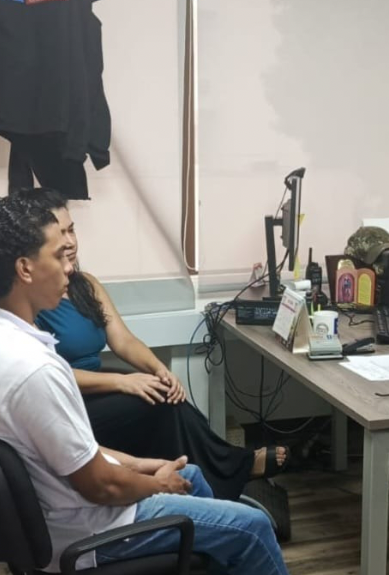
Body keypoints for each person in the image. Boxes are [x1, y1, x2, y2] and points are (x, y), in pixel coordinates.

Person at [0, 195, 289, 575]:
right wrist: (154, 484)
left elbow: (64, 452)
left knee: (191, 477)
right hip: (88, 531)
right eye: (57, 256)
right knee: (253, 528)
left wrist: (141, 465)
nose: (68, 267)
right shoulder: (35, 370)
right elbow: (101, 487)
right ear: (25, 268)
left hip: (54, 513)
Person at [15, 188, 287, 501]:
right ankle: (233, 471)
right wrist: (123, 382)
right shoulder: (32, 300)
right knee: (160, 405)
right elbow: (50, 374)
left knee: (168, 393)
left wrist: (159, 370)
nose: (70, 241)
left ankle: (218, 478)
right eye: (60, 233)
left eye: (71, 229)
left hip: (100, 386)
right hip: (71, 402)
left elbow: (123, 340)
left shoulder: (85, 284)